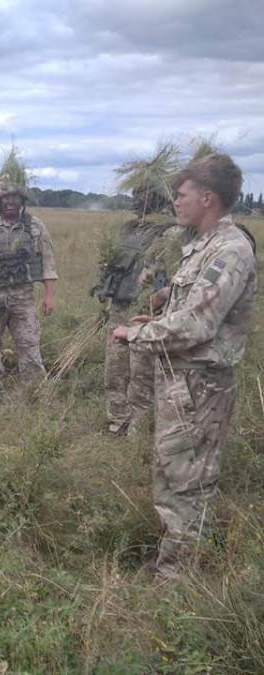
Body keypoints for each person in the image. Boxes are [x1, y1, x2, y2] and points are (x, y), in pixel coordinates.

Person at [113, 153, 257, 578]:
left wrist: (135, 335)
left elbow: (196, 326)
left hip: (201, 386)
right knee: (172, 473)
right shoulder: (202, 247)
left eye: (182, 195)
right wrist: (158, 319)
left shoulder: (230, 250)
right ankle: (177, 558)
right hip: (183, 383)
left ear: (207, 198)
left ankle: (180, 578)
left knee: (188, 482)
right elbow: (192, 312)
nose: (175, 202)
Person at [93, 153, 181, 436]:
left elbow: (180, 280)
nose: (134, 199)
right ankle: (118, 420)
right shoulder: (129, 231)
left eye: (140, 193)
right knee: (115, 370)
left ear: (156, 197)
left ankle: (139, 431)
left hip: (146, 315)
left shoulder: (171, 233)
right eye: (134, 193)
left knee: (141, 376)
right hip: (119, 309)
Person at [0, 149, 58, 397]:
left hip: (23, 298)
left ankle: (35, 392)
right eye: (5, 197)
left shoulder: (34, 226)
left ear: (21, 199)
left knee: (30, 345)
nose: (10, 202)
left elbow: (47, 261)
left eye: (15, 197)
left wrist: (49, 296)